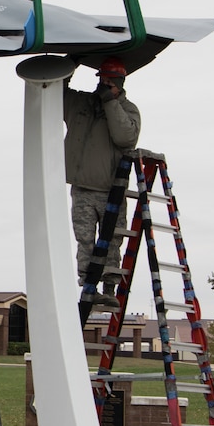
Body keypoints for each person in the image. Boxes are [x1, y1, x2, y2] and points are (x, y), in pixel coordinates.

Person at [63, 58, 142, 283]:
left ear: (120, 84)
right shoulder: (83, 103)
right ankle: (88, 285)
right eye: (102, 80)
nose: (104, 85)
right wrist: (71, 64)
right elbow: (56, 93)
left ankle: (109, 288)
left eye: (110, 82)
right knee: (84, 239)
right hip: (83, 188)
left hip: (111, 190)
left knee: (112, 240)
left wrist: (110, 103)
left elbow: (125, 137)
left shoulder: (128, 110)